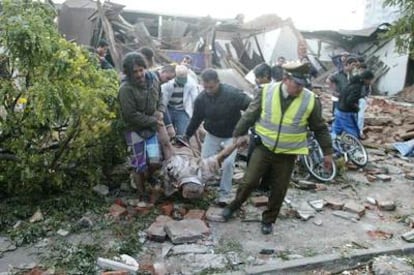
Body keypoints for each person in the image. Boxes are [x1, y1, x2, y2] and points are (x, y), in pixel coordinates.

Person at [221, 63, 333, 235]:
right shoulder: (266, 91)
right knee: (249, 181)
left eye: (303, 85)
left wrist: (327, 153)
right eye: (297, 84)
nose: (300, 89)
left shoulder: (310, 100)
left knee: (279, 188)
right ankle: (234, 206)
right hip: (264, 147)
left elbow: (320, 127)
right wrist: (238, 134)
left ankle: (268, 220)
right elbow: (251, 114)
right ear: (286, 79)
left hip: (287, 154)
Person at [183, 68, 252, 204]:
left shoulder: (232, 94)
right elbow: (196, 120)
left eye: (211, 87)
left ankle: (224, 194)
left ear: (218, 82)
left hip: (232, 135)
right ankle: (201, 188)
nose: (208, 90)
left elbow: (251, 108)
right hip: (213, 134)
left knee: (228, 163)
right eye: (206, 87)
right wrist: (186, 135)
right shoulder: (201, 99)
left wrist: (245, 131)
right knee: (204, 163)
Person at [118, 52, 171, 201]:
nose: (139, 74)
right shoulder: (125, 89)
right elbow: (130, 115)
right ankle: (141, 194)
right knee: (139, 164)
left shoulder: (153, 79)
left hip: (150, 130)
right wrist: (153, 120)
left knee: (155, 161)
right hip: (134, 130)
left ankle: (146, 178)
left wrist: (160, 111)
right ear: (129, 73)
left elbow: (161, 96)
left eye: (141, 69)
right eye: (135, 72)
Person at [331, 70, 374, 139]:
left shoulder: (351, 83)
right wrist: (356, 108)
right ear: (366, 79)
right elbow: (350, 101)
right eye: (370, 80)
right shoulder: (357, 87)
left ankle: (331, 144)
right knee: (353, 133)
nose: (371, 82)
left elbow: (343, 95)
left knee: (336, 130)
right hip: (346, 112)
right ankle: (354, 148)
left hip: (339, 109)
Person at [161, 65, 199, 136]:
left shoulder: (191, 83)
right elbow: (163, 103)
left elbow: (195, 98)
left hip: (182, 110)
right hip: (169, 109)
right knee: (166, 132)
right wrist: (168, 124)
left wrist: (195, 114)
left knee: (182, 134)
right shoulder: (168, 84)